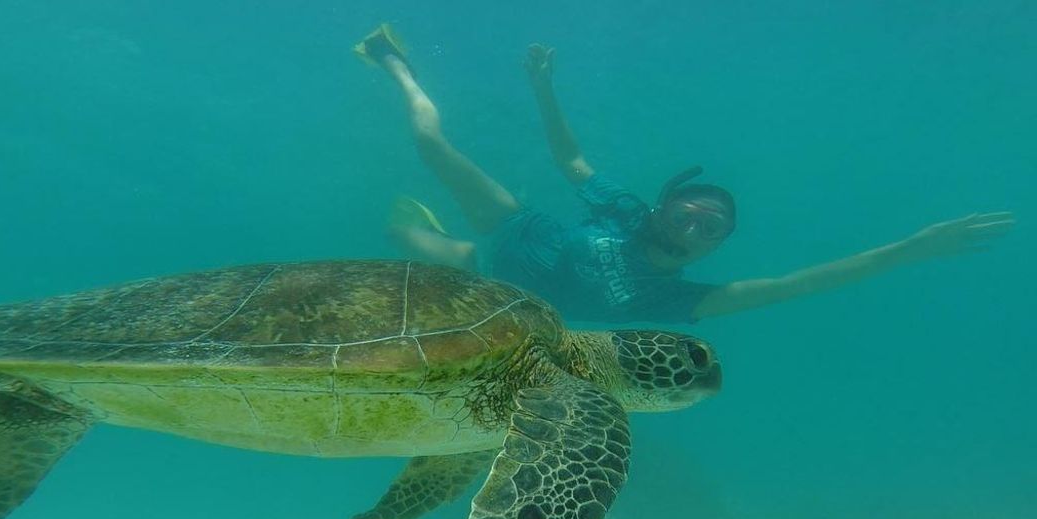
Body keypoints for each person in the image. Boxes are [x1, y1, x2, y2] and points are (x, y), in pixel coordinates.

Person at [354, 24, 1014, 324]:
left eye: (714, 225)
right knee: (433, 145)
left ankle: (426, 236)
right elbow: (571, 159)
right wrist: (543, 87)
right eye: (690, 210)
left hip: (500, 295)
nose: (697, 223)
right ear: (665, 207)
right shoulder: (624, 210)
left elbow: (797, 283)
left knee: (412, 242)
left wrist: (911, 249)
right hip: (520, 232)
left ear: (718, 245)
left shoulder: (679, 300)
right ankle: (394, 62)